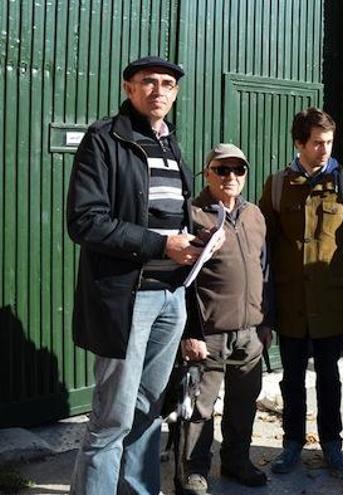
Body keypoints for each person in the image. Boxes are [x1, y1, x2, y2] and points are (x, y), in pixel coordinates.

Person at [67, 56, 212, 494]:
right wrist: (161, 244)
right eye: (148, 82)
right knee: (112, 416)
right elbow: (85, 220)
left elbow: (169, 217)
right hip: (130, 298)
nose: (159, 91)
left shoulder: (171, 145)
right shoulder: (105, 139)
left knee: (149, 413)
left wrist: (198, 239)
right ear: (128, 87)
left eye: (168, 84)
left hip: (171, 296)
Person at [259, 108, 343, 477]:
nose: (324, 150)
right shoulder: (277, 185)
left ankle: (332, 444)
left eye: (329, 143)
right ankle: (291, 443)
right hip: (291, 300)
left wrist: (333, 272)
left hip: (329, 299)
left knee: (329, 378)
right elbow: (267, 243)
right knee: (292, 378)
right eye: (317, 143)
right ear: (299, 144)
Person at [173, 144, 271, 494]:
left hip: (250, 333)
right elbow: (179, 280)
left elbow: (265, 271)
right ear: (207, 173)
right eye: (222, 169)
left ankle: (236, 461)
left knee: (244, 402)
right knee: (199, 407)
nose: (231, 176)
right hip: (209, 333)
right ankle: (194, 472)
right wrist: (189, 332)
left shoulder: (255, 215)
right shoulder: (192, 214)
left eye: (238, 170)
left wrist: (265, 323)